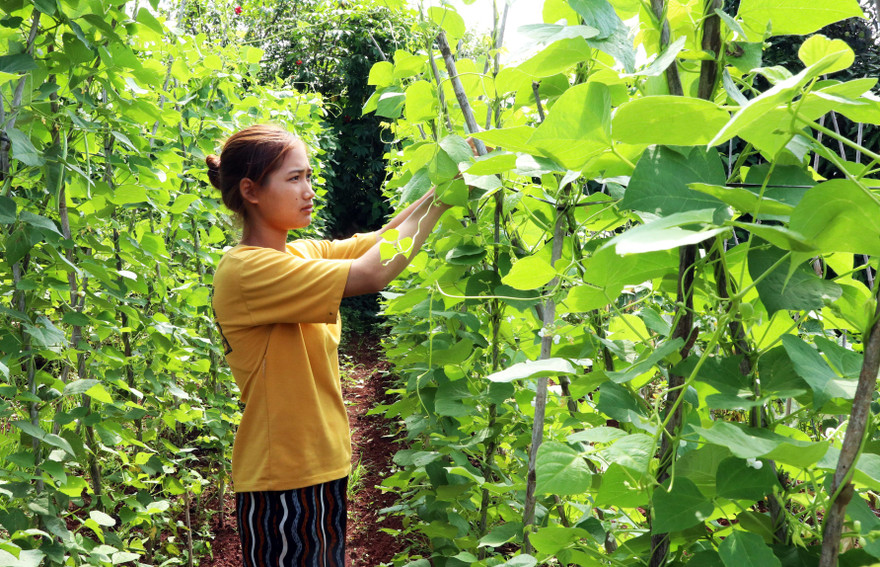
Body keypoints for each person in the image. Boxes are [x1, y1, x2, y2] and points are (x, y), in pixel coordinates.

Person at [207, 124, 452, 567]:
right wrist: (446, 197)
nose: (309, 190)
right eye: (294, 178)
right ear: (251, 190)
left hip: (323, 464)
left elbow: (384, 239)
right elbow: (373, 273)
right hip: (279, 479)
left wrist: (444, 182)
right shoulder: (245, 271)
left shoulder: (299, 254)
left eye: (309, 177)